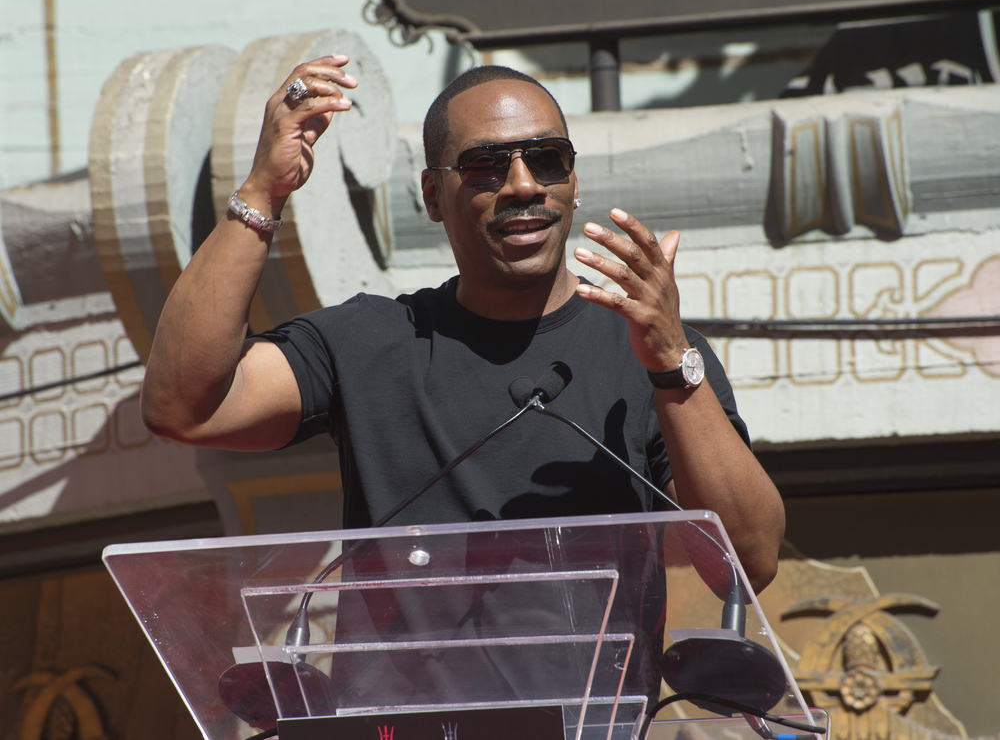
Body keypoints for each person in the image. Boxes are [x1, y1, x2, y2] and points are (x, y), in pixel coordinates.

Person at [141, 54, 785, 595]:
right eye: (486, 165)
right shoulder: (372, 342)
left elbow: (746, 565)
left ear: (574, 181)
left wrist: (672, 365)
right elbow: (184, 407)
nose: (524, 185)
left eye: (548, 158)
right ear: (431, 196)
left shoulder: (654, 358)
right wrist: (261, 192)